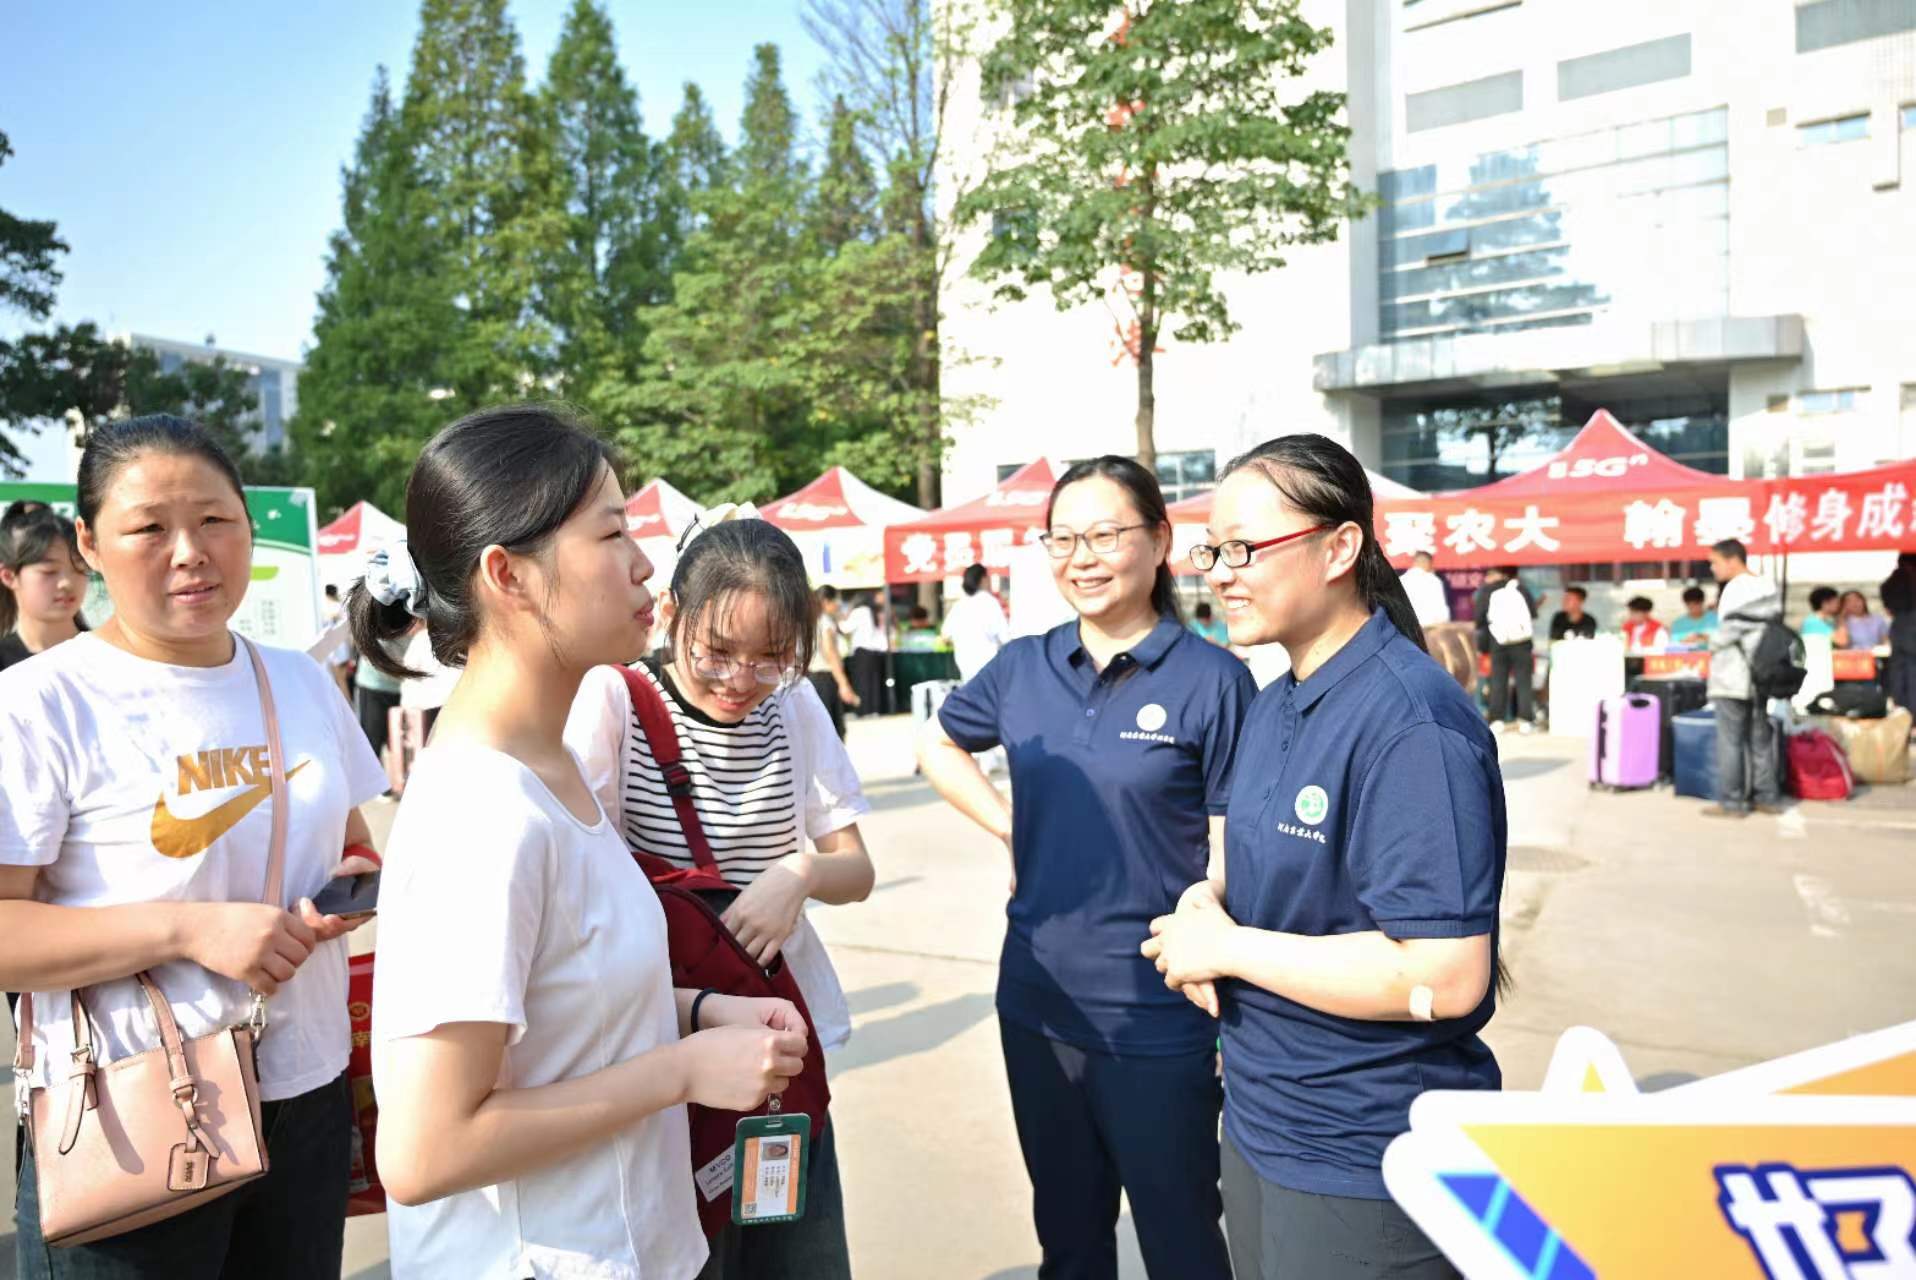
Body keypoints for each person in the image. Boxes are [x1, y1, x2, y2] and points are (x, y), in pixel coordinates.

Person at [358, 406, 807, 1278]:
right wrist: (681, 1071)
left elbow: (563, 1005)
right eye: (612, 533)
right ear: (508, 575)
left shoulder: (550, 766)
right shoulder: (480, 813)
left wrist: (699, 1014)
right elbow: (425, 1151)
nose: (645, 564)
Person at [0, 415, 386, 1277]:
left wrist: (346, 892)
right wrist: (190, 930)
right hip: (128, 1116)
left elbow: (353, 844)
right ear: (89, 546)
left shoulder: (299, 678)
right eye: (149, 528)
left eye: (215, 520)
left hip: (305, 1093)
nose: (190, 552)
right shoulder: (38, 705)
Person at [1144, 433, 1505, 1280]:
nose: (1219, 573)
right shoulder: (1275, 702)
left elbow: (1447, 976)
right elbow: (1252, 873)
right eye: (1212, 551)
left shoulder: (1411, 724)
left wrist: (1230, 949)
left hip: (1366, 1154)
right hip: (1261, 1122)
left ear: (1341, 548)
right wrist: (1203, 903)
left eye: (1244, 549)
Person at [918, 456, 1254, 1280]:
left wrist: (1217, 943)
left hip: (1160, 1011)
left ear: (1161, 542)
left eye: (1105, 535)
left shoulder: (1214, 680)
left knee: (1182, 1238)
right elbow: (938, 743)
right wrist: (1011, 828)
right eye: (1063, 539)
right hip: (1037, 1001)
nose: (1082, 557)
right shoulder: (1023, 667)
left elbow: (1234, 849)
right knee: (1068, 1240)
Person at [567, 509, 876, 1280]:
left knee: (794, 1251)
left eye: (771, 657)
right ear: (672, 612)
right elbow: (577, 883)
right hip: (662, 1038)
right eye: (716, 653)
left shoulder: (794, 705)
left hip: (776, 1042)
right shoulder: (615, 701)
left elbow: (856, 869)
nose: (741, 681)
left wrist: (798, 874)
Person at [1705, 539, 1784, 819]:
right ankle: (1767, 797)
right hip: (1761, 674)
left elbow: (1728, 632)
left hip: (1732, 674)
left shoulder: (1734, 589)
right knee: (1760, 739)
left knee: (1731, 741)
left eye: (1714, 562)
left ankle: (1732, 801)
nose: (1712, 569)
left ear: (1732, 560)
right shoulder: (1768, 586)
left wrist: (1709, 642)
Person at [0, 505, 88, 672]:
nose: (66, 583)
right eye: (49, 571)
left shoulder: (110, 655)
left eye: (79, 569)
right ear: (9, 576)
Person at [1476, 566, 1537, 734]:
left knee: (1498, 681)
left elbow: (1479, 618)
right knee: (1523, 681)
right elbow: (1532, 613)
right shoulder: (1521, 589)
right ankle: (1525, 720)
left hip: (1498, 642)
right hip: (1522, 641)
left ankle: (1497, 720)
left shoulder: (1488, 590)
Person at [806, 584, 860, 739]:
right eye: (836, 600)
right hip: (826, 679)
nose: (838, 604)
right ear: (825, 601)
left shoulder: (810, 620)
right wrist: (843, 684)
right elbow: (830, 653)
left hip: (812, 678)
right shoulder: (825, 622)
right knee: (834, 730)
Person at [942, 563, 1009, 683]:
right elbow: (1005, 637)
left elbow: (945, 636)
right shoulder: (990, 602)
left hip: (965, 667)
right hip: (988, 667)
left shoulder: (959, 605)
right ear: (983, 579)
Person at [842, 591, 889, 715]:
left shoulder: (859, 612)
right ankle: (875, 708)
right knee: (874, 682)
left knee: (862, 681)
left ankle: (864, 709)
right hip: (875, 651)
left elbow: (845, 628)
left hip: (862, 651)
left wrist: (840, 618)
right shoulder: (873, 612)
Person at [1885, 553, 1916, 716]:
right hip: (1912, 627)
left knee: (1898, 670)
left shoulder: (1891, 582)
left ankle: (1902, 710)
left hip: (1898, 628)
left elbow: (1889, 606)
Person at [1399, 549, 1451, 629]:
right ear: (1427, 563)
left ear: (1414, 563)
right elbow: (1441, 610)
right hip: (1428, 628)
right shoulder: (1433, 580)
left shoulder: (1401, 580)